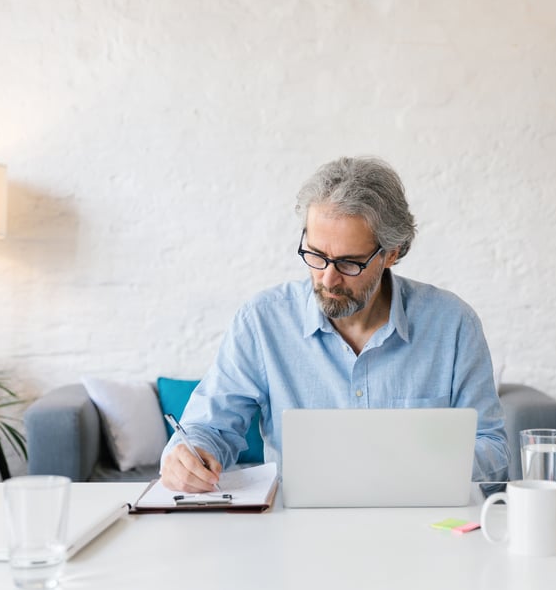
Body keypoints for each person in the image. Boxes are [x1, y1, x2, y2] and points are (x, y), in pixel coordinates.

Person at [160, 156, 510, 492]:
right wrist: (187, 457)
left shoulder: (452, 325)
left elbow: (493, 451)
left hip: (420, 530)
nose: (328, 279)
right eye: (315, 255)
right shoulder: (263, 322)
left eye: (349, 263)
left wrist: (407, 466)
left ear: (392, 252)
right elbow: (209, 429)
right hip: (296, 534)